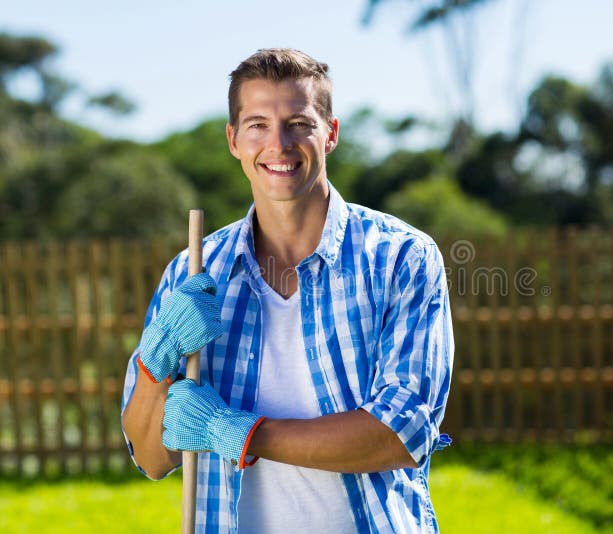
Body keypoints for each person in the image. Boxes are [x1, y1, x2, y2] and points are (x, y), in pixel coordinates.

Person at [120, 48, 454, 533]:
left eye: (298, 123)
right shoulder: (192, 272)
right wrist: (156, 363)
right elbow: (152, 459)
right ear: (234, 141)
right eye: (257, 124)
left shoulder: (402, 258)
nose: (278, 144)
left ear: (331, 133)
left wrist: (239, 432)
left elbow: (400, 435)